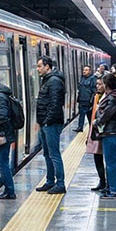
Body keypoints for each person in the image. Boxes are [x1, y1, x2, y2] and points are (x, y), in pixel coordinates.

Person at [34, 56, 67, 194]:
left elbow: (55, 104)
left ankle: (60, 184)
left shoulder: (54, 82)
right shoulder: (48, 80)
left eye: (39, 66)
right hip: (45, 123)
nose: (37, 69)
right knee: (47, 153)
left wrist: (47, 121)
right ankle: (49, 181)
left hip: (51, 124)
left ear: (47, 66)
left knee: (54, 154)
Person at [95, 73, 116, 199]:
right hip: (113, 133)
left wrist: (96, 121)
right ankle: (111, 188)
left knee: (111, 164)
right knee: (111, 163)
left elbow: (105, 116)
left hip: (112, 134)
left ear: (107, 85)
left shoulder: (113, 98)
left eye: (103, 83)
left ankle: (114, 191)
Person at [86, 77, 107, 192]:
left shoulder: (109, 98)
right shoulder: (96, 97)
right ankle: (102, 181)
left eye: (100, 84)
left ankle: (108, 183)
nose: (97, 86)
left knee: (107, 159)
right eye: (97, 84)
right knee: (97, 156)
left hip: (105, 132)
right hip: (95, 131)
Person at [74, 65, 96, 133]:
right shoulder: (82, 78)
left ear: (90, 71)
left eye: (86, 70)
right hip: (81, 100)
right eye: (84, 70)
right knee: (81, 115)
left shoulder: (93, 79)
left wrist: (92, 101)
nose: (84, 71)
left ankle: (91, 129)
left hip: (88, 101)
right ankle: (80, 127)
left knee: (90, 117)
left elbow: (94, 91)